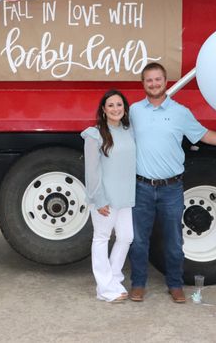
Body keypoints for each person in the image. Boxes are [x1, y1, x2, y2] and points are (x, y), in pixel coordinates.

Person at [128, 62, 216, 303]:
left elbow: (205, 135)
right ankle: (138, 284)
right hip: (142, 187)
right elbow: (114, 133)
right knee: (138, 240)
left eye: (158, 79)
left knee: (174, 241)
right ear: (143, 84)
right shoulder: (134, 111)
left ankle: (175, 285)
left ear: (165, 81)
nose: (154, 84)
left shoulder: (181, 112)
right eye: (149, 80)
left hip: (171, 189)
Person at [81, 89, 136, 302]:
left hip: (125, 197)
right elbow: (92, 171)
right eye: (111, 105)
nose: (115, 109)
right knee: (102, 238)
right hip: (104, 198)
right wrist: (99, 199)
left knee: (126, 237)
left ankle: (113, 278)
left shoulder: (127, 131)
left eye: (119, 105)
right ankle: (104, 288)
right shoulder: (94, 134)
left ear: (124, 108)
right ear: (103, 109)